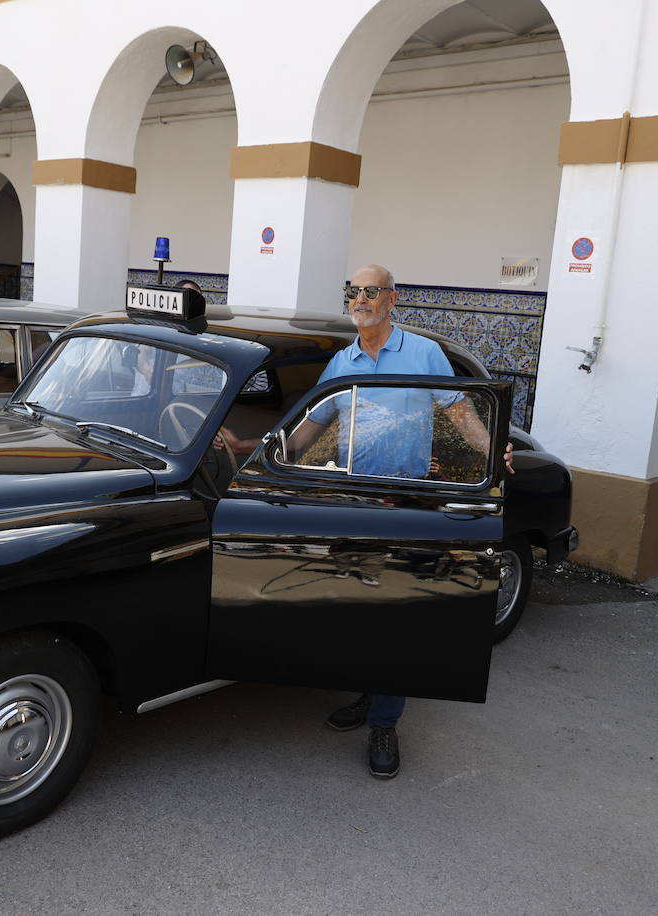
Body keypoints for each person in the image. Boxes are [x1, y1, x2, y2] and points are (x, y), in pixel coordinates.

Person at [219, 263, 512, 780]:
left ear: (392, 298)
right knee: (356, 607)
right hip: (350, 500)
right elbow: (311, 427)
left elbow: (461, 415)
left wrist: (494, 455)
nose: (359, 298)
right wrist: (251, 448)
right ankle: (369, 694)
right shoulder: (342, 362)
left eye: (370, 290)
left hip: (404, 503)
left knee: (393, 616)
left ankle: (384, 723)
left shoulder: (423, 353)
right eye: (352, 290)